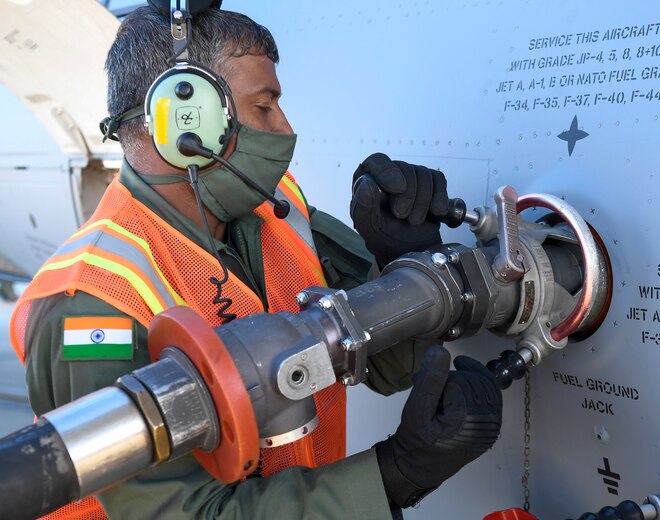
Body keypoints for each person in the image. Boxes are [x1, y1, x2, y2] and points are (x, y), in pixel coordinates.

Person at [10, 6, 502, 519]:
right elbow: (186, 513)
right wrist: (392, 475)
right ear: (186, 121)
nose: (285, 127)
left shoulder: (276, 212)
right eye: (264, 107)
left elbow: (381, 362)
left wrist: (403, 260)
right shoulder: (96, 302)